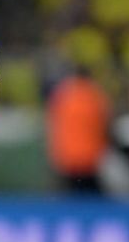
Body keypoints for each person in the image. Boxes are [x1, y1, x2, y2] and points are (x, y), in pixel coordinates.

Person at [45, 65, 111, 193]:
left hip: (67, 159)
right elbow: (105, 125)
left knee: (71, 199)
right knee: (91, 200)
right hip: (91, 159)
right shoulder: (96, 96)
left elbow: (53, 126)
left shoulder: (62, 96)